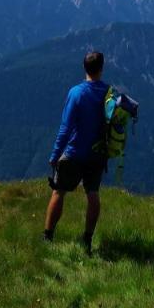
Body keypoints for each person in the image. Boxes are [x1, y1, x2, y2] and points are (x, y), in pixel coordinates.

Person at [43, 49, 108, 254]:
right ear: (102, 68)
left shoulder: (76, 93)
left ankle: (47, 236)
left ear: (84, 68)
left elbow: (65, 128)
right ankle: (87, 240)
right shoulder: (108, 93)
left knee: (59, 191)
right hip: (97, 154)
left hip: (74, 152)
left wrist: (55, 155)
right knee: (93, 194)